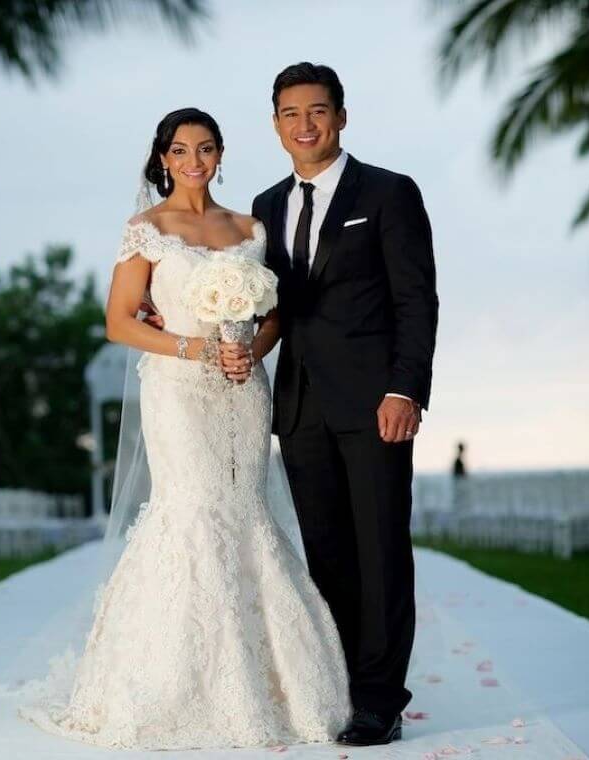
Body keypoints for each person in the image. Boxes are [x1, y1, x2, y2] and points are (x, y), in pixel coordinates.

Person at [17, 107, 351, 750]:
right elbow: (120, 321)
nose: (193, 161)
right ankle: (173, 684)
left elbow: (276, 313)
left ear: (221, 154)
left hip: (242, 392)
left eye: (204, 149)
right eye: (179, 150)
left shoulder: (251, 228)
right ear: (163, 159)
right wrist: (194, 351)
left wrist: (248, 352)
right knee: (192, 510)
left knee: (245, 511)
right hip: (177, 390)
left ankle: (278, 683)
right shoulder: (147, 230)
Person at [240, 62, 439, 747]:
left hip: (376, 403)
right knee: (327, 555)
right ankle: (344, 685)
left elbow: (417, 300)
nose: (306, 125)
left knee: (381, 551)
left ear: (342, 117)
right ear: (275, 125)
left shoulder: (386, 193)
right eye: (291, 114)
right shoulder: (264, 207)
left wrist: (405, 388)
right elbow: (266, 306)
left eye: (318, 111)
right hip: (299, 407)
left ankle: (381, 700)